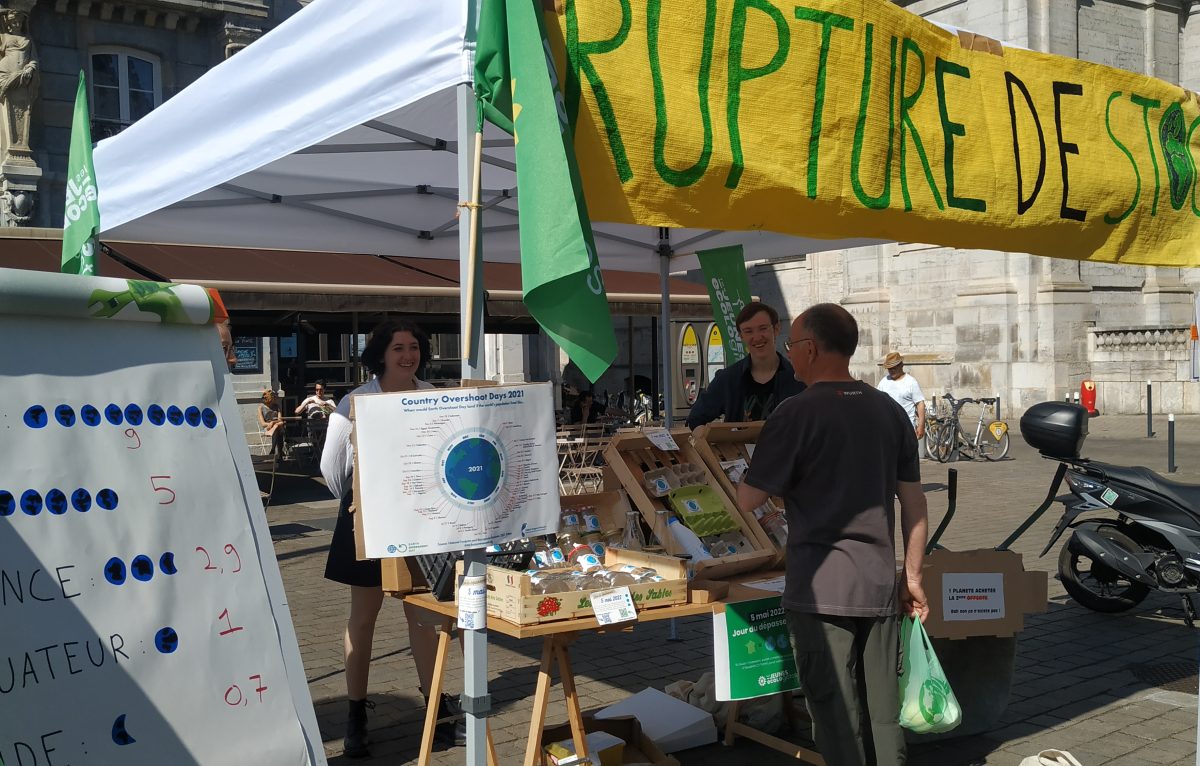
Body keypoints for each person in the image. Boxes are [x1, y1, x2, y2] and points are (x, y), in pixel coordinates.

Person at [736, 303, 929, 766]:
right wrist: (914, 576)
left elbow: (748, 499)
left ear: (811, 348)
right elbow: (916, 504)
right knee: (885, 712)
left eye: (792, 345)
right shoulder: (889, 411)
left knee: (834, 712)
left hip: (820, 591)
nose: (789, 355)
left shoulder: (794, 414)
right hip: (880, 584)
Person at [320, 320, 459, 757]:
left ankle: (435, 703)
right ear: (380, 353)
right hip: (368, 520)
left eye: (414, 347)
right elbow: (331, 468)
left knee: (424, 618)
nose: (408, 355)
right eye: (398, 347)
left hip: (422, 521)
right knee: (363, 618)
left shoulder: (431, 394)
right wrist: (363, 498)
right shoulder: (354, 402)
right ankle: (356, 713)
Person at [686, 301, 806, 428]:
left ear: (776, 329)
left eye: (763, 328)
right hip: (738, 448)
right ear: (741, 336)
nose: (757, 337)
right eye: (748, 331)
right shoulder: (728, 379)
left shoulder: (799, 378)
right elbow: (694, 420)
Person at [877, 352, 926, 451]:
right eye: (889, 368)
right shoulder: (884, 382)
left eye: (894, 367)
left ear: (901, 366)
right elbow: (878, 402)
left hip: (906, 429)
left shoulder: (911, 382)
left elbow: (920, 404)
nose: (892, 371)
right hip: (888, 429)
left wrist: (921, 426)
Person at [257, 389, 284, 456]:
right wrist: (271, 424)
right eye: (274, 397)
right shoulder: (260, 408)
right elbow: (263, 424)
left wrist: (273, 422)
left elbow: (280, 420)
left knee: (278, 427)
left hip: (277, 424)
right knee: (277, 429)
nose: (276, 399)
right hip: (268, 427)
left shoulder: (277, 406)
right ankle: (280, 451)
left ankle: (273, 449)